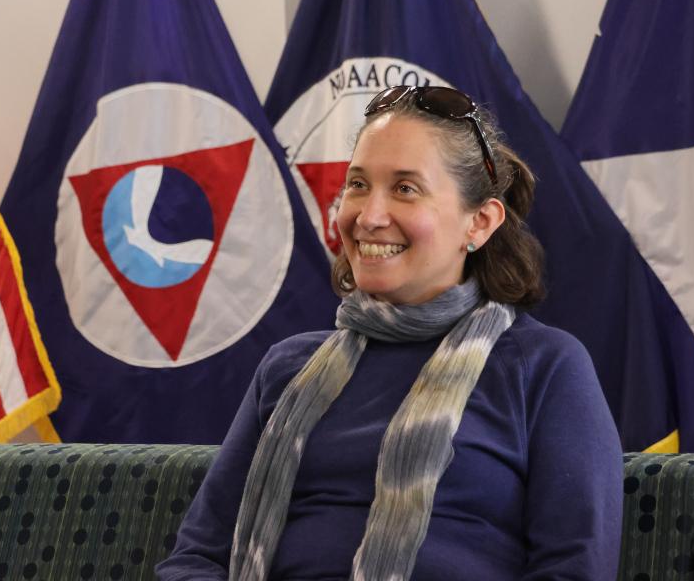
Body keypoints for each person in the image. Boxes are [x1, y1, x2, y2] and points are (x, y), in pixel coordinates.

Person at [156, 85, 623, 580]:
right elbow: (199, 558)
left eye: (405, 189)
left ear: (480, 223)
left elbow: (574, 569)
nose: (370, 217)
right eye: (358, 185)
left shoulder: (544, 366)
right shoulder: (288, 366)